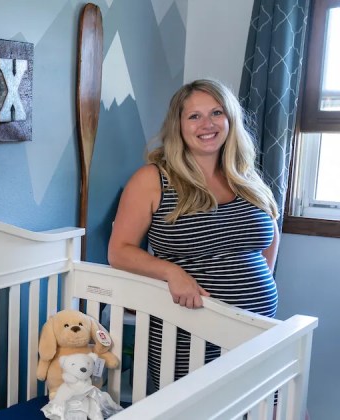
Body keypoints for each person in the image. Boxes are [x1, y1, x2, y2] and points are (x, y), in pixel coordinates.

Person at [107, 79, 280, 387]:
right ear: (178, 125)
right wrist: (172, 272)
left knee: (265, 404)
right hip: (187, 328)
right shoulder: (152, 179)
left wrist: (256, 284)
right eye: (194, 116)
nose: (207, 124)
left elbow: (269, 233)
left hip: (255, 327)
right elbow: (119, 251)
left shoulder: (245, 176)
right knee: (195, 405)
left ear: (230, 119)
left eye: (216, 113)